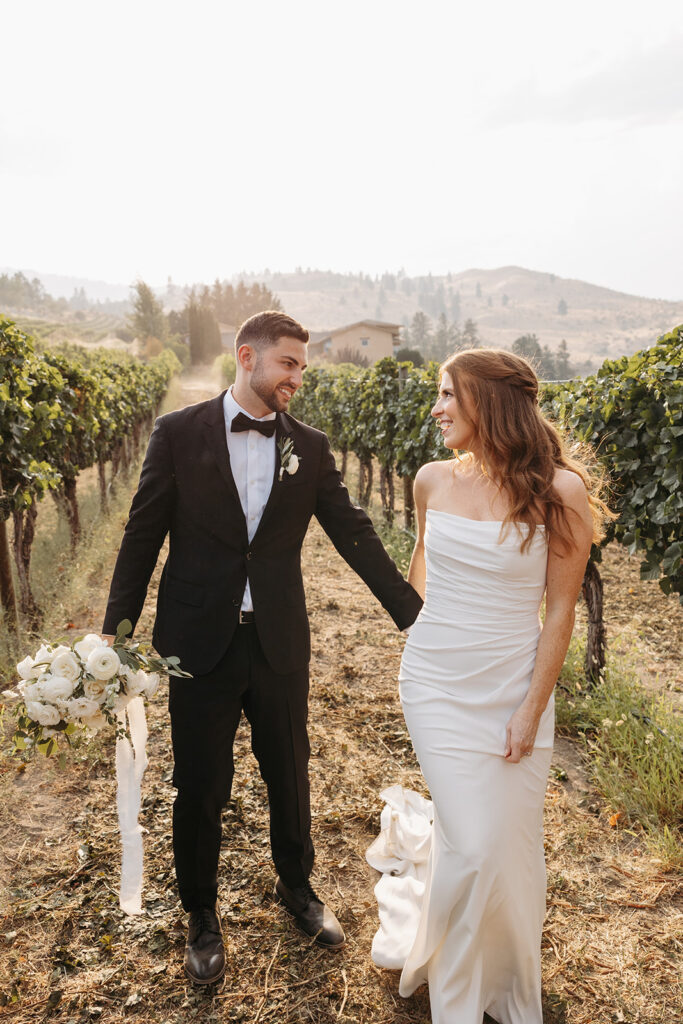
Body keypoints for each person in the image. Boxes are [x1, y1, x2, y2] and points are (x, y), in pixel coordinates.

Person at [102, 311, 422, 985]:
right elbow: (142, 532)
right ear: (246, 357)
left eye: (302, 367)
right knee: (200, 786)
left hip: (278, 639)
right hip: (196, 643)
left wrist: (411, 613)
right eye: (288, 365)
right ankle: (201, 918)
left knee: (290, 770)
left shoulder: (309, 444)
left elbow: (352, 532)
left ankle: (298, 890)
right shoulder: (177, 433)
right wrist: (117, 632)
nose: (297, 379)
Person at [368, 349, 612, 1023]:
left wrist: (531, 709)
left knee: (503, 841)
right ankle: (455, 985)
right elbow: (421, 578)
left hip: (512, 683)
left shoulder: (558, 493)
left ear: (490, 404)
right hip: (435, 683)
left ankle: (501, 976)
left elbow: (559, 609)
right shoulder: (429, 482)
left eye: (448, 395)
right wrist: (416, 640)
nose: (436, 407)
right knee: (474, 842)